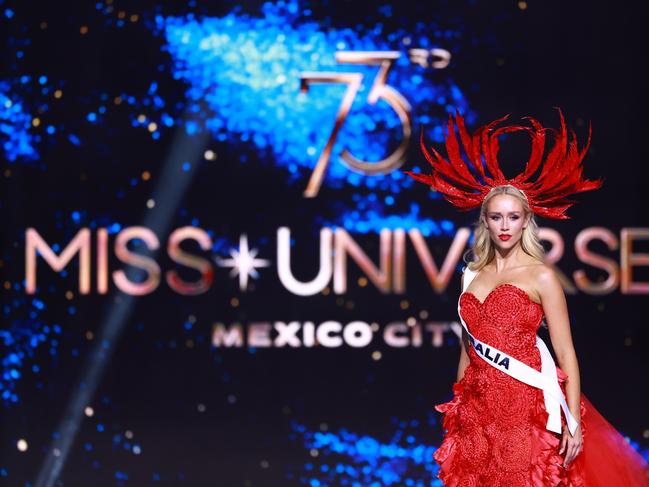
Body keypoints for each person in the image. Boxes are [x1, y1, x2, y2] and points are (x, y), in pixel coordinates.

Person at [405, 109, 649, 486]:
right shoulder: (471, 275)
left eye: (513, 217)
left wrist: (573, 423)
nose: (505, 226)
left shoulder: (541, 275)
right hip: (478, 411)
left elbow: (566, 354)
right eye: (496, 217)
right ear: (484, 221)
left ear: (526, 221)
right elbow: (467, 351)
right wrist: (458, 413)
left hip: (528, 408)